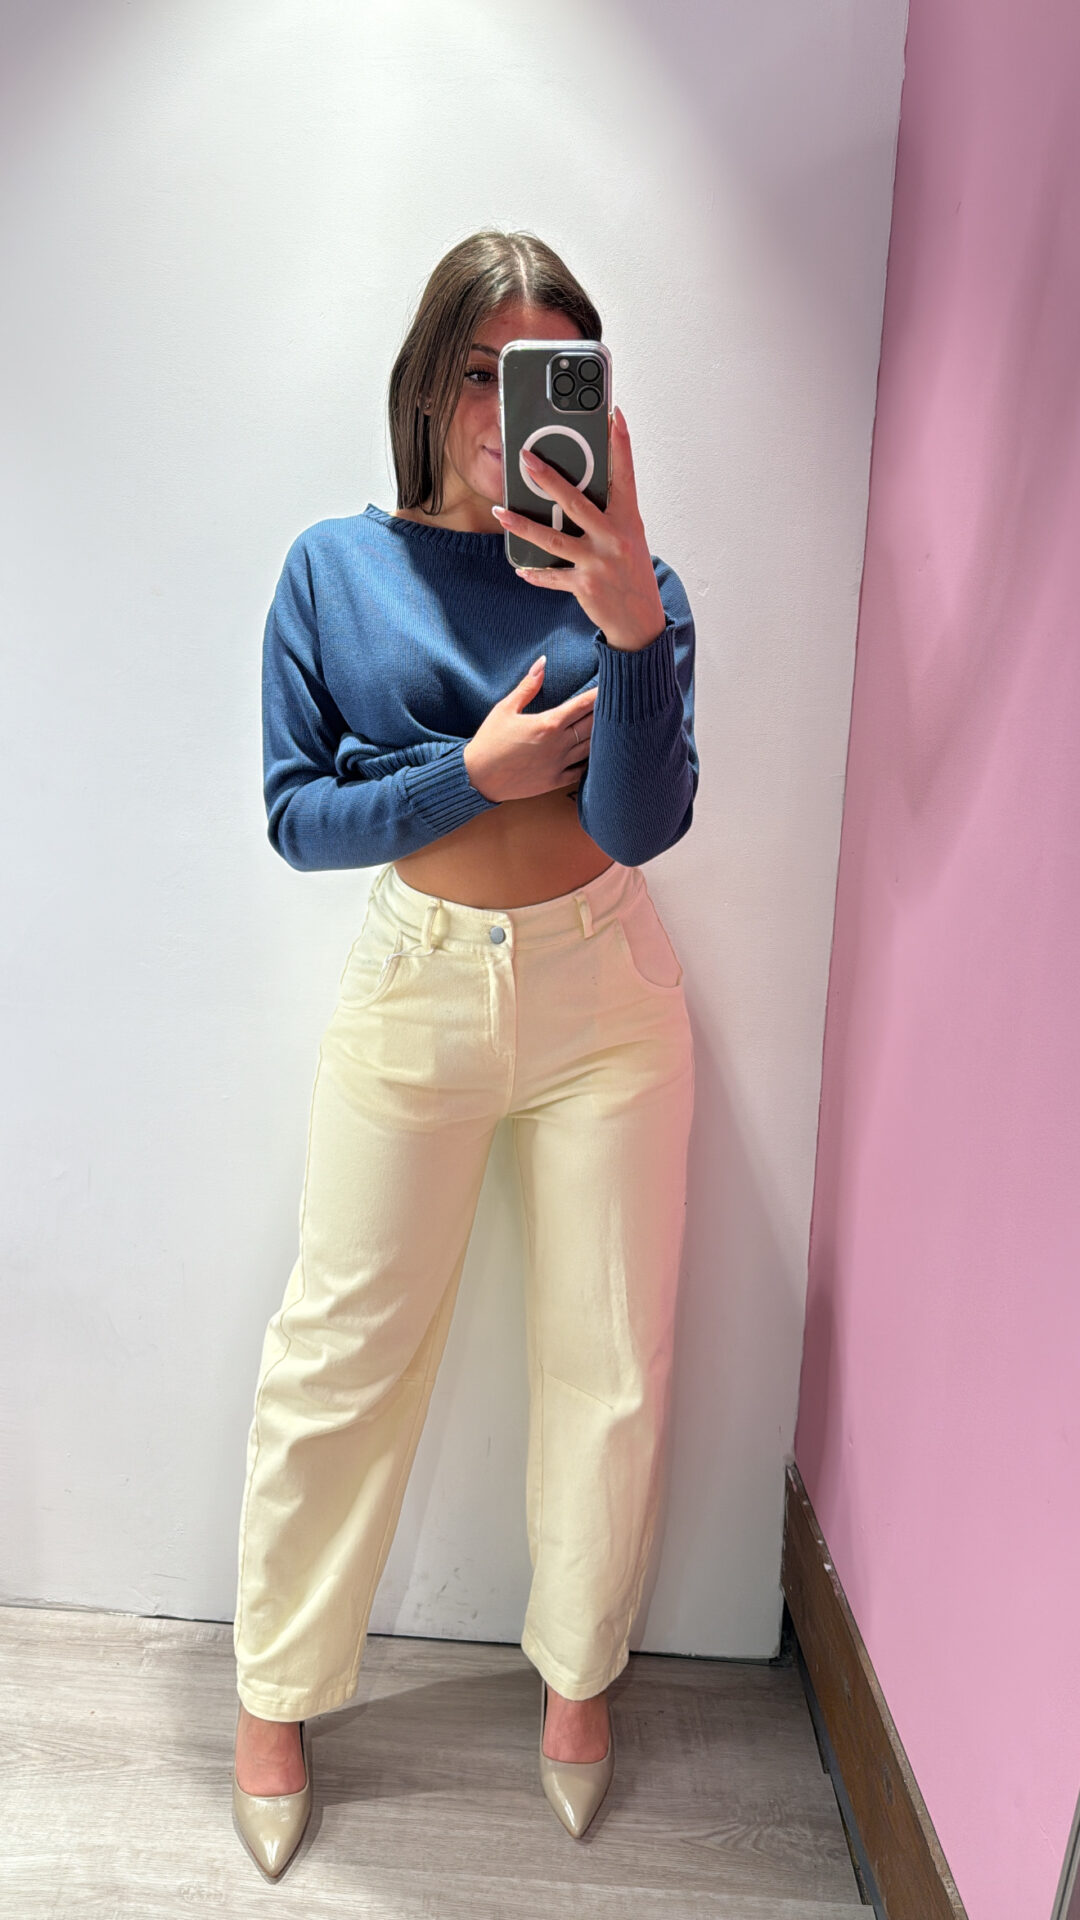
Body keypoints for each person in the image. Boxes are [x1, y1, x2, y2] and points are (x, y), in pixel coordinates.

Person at [230, 229, 698, 1879]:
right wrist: (467, 778)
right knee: (340, 1349)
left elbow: (646, 820)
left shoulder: (631, 578)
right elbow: (297, 816)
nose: (514, 410)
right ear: (432, 383)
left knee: (609, 1356)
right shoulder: (333, 571)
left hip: (607, 993)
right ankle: (275, 1694)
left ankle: (578, 1682)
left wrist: (630, 628)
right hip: (415, 985)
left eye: (550, 376)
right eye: (487, 372)